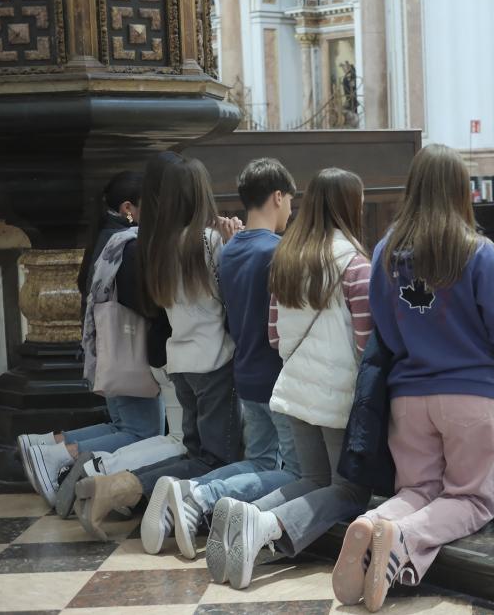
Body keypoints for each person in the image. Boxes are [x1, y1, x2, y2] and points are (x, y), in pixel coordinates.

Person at [331, 144, 494, 612]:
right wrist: (483, 361)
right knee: (471, 500)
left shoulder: (386, 251)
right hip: (469, 396)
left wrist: (419, 351)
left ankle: (375, 520)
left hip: (409, 397)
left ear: (413, 188)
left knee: (416, 491)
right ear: (462, 191)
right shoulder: (475, 251)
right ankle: (400, 537)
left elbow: (388, 333)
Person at [209, 167, 374, 590]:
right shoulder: (355, 264)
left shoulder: (286, 258)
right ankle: (265, 524)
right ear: (349, 207)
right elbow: (366, 344)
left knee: (311, 479)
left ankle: (247, 516)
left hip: (294, 388)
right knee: (350, 492)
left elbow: (275, 334)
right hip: (337, 398)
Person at [73, 156, 245, 538]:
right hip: (215, 364)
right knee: (216, 461)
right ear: (199, 194)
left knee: (194, 453)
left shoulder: (156, 245)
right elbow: (229, 299)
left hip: (180, 363)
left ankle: (121, 485)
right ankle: (123, 487)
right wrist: (234, 245)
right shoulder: (210, 241)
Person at [141, 158, 300, 564]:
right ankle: (197, 495)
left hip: (201, 364)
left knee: (243, 457)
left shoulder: (173, 243)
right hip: (236, 366)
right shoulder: (219, 242)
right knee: (279, 468)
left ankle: (187, 500)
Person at [18, 170, 168, 509]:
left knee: (123, 426)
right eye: (151, 204)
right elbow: (140, 302)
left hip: (109, 354)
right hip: (128, 353)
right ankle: (58, 455)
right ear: (129, 207)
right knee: (140, 433)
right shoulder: (125, 243)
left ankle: (48, 447)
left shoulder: (105, 237)